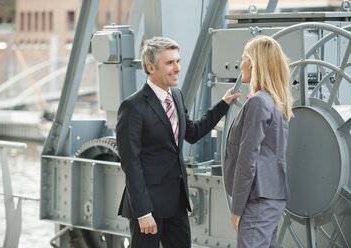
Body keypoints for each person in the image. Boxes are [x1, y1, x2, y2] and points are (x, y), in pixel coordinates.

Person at [116, 36, 241, 248]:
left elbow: (191, 132)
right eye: (170, 63)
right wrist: (144, 212)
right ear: (150, 67)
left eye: (178, 61)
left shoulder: (176, 95)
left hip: (176, 202)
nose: (177, 68)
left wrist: (223, 104)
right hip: (148, 206)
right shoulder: (132, 107)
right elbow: (131, 164)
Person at [223, 35, 293, 248]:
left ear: (254, 64)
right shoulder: (275, 101)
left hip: (257, 200)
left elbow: (247, 158)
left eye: (244, 57)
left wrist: (237, 209)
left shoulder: (257, 102)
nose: (240, 63)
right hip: (270, 197)